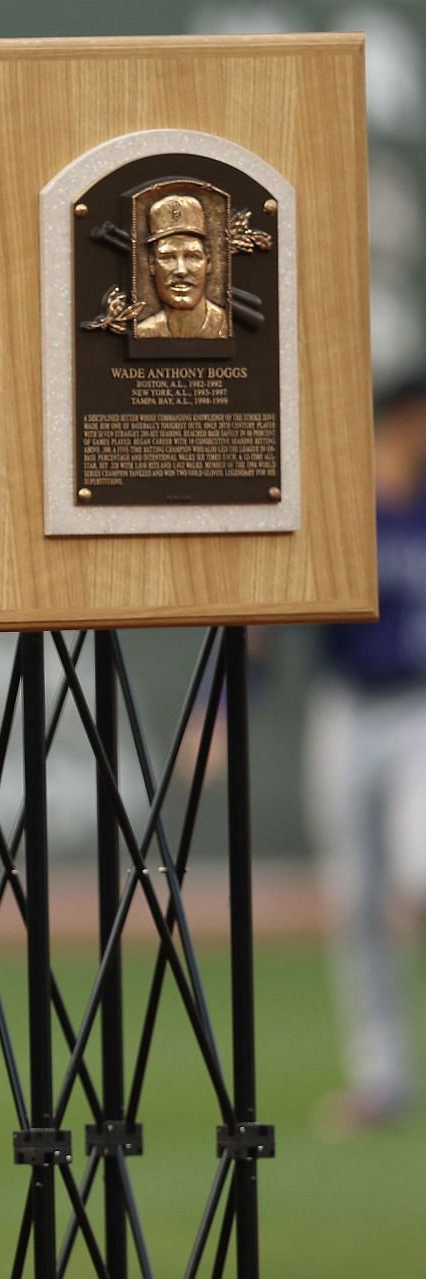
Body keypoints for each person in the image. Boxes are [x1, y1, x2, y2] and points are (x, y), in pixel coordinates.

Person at [306, 371, 426, 1134]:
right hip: (348, 710)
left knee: (420, 876)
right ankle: (380, 1076)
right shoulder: (341, 509)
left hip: (420, 710)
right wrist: (222, 713)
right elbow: (267, 619)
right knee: (355, 905)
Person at [133, 192, 230, 340]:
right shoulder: (143, 333)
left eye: (192, 257)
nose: (181, 270)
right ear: (152, 264)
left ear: (208, 262)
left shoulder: (227, 326)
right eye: (168, 258)